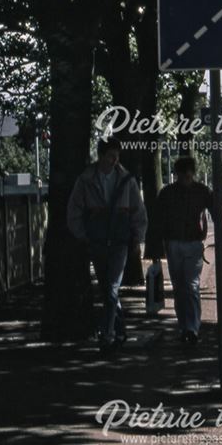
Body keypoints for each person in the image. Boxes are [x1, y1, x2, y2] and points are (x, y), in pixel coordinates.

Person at [67, 137, 147, 353]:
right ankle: (120, 332)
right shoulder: (86, 180)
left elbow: (139, 212)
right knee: (108, 290)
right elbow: (74, 210)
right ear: (101, 156)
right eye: (111, 156)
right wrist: (83, 235)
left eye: (116, 157)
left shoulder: (126, 180)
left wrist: (136, 238)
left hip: (120, 242)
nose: (114, 160)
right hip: (97, 242)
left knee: (111, 288)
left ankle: (107, 335)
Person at [145, 157, 222, 345]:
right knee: (179, 288)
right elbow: (157, 221)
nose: (186, 180)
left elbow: (217, 211)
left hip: (192, 244)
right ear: (177, 175)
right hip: (173, 244)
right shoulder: (168, 193)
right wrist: (155, 247)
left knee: (191, 286)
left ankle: (192, 328)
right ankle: (184, 326)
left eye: (188, 176)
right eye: (183, 176)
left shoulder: (200, 191)